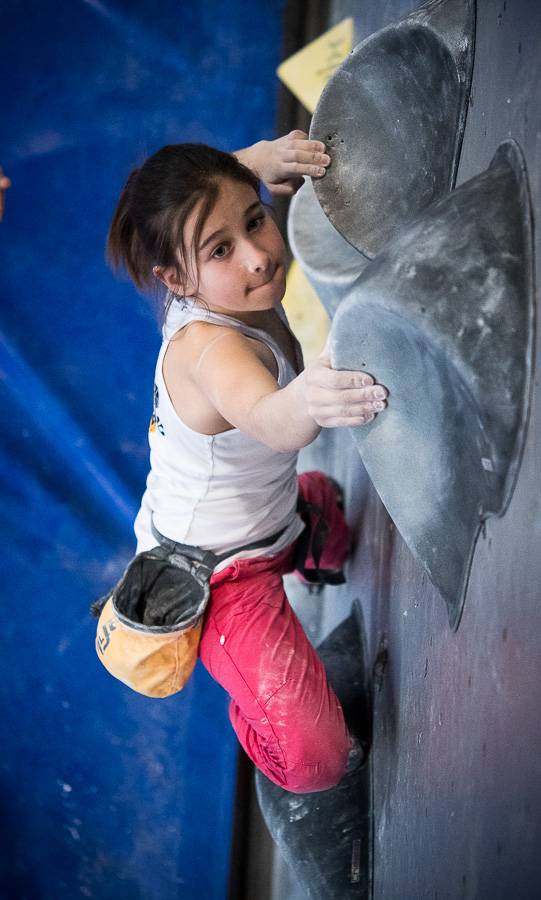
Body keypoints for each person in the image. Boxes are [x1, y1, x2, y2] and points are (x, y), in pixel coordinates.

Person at [106, 130, 388, 794]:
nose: (261, 256)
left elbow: (216, 203)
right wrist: (314, 391)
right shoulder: (212, 351)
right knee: (321, 760)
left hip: (268, 514)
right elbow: (275, 422)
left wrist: (251, 165)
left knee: (330, 524)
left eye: (256, 219)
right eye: (223, 249)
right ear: (176, 281)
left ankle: (305, 531)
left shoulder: (212, 279)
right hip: (219, 582)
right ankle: (262, 724)